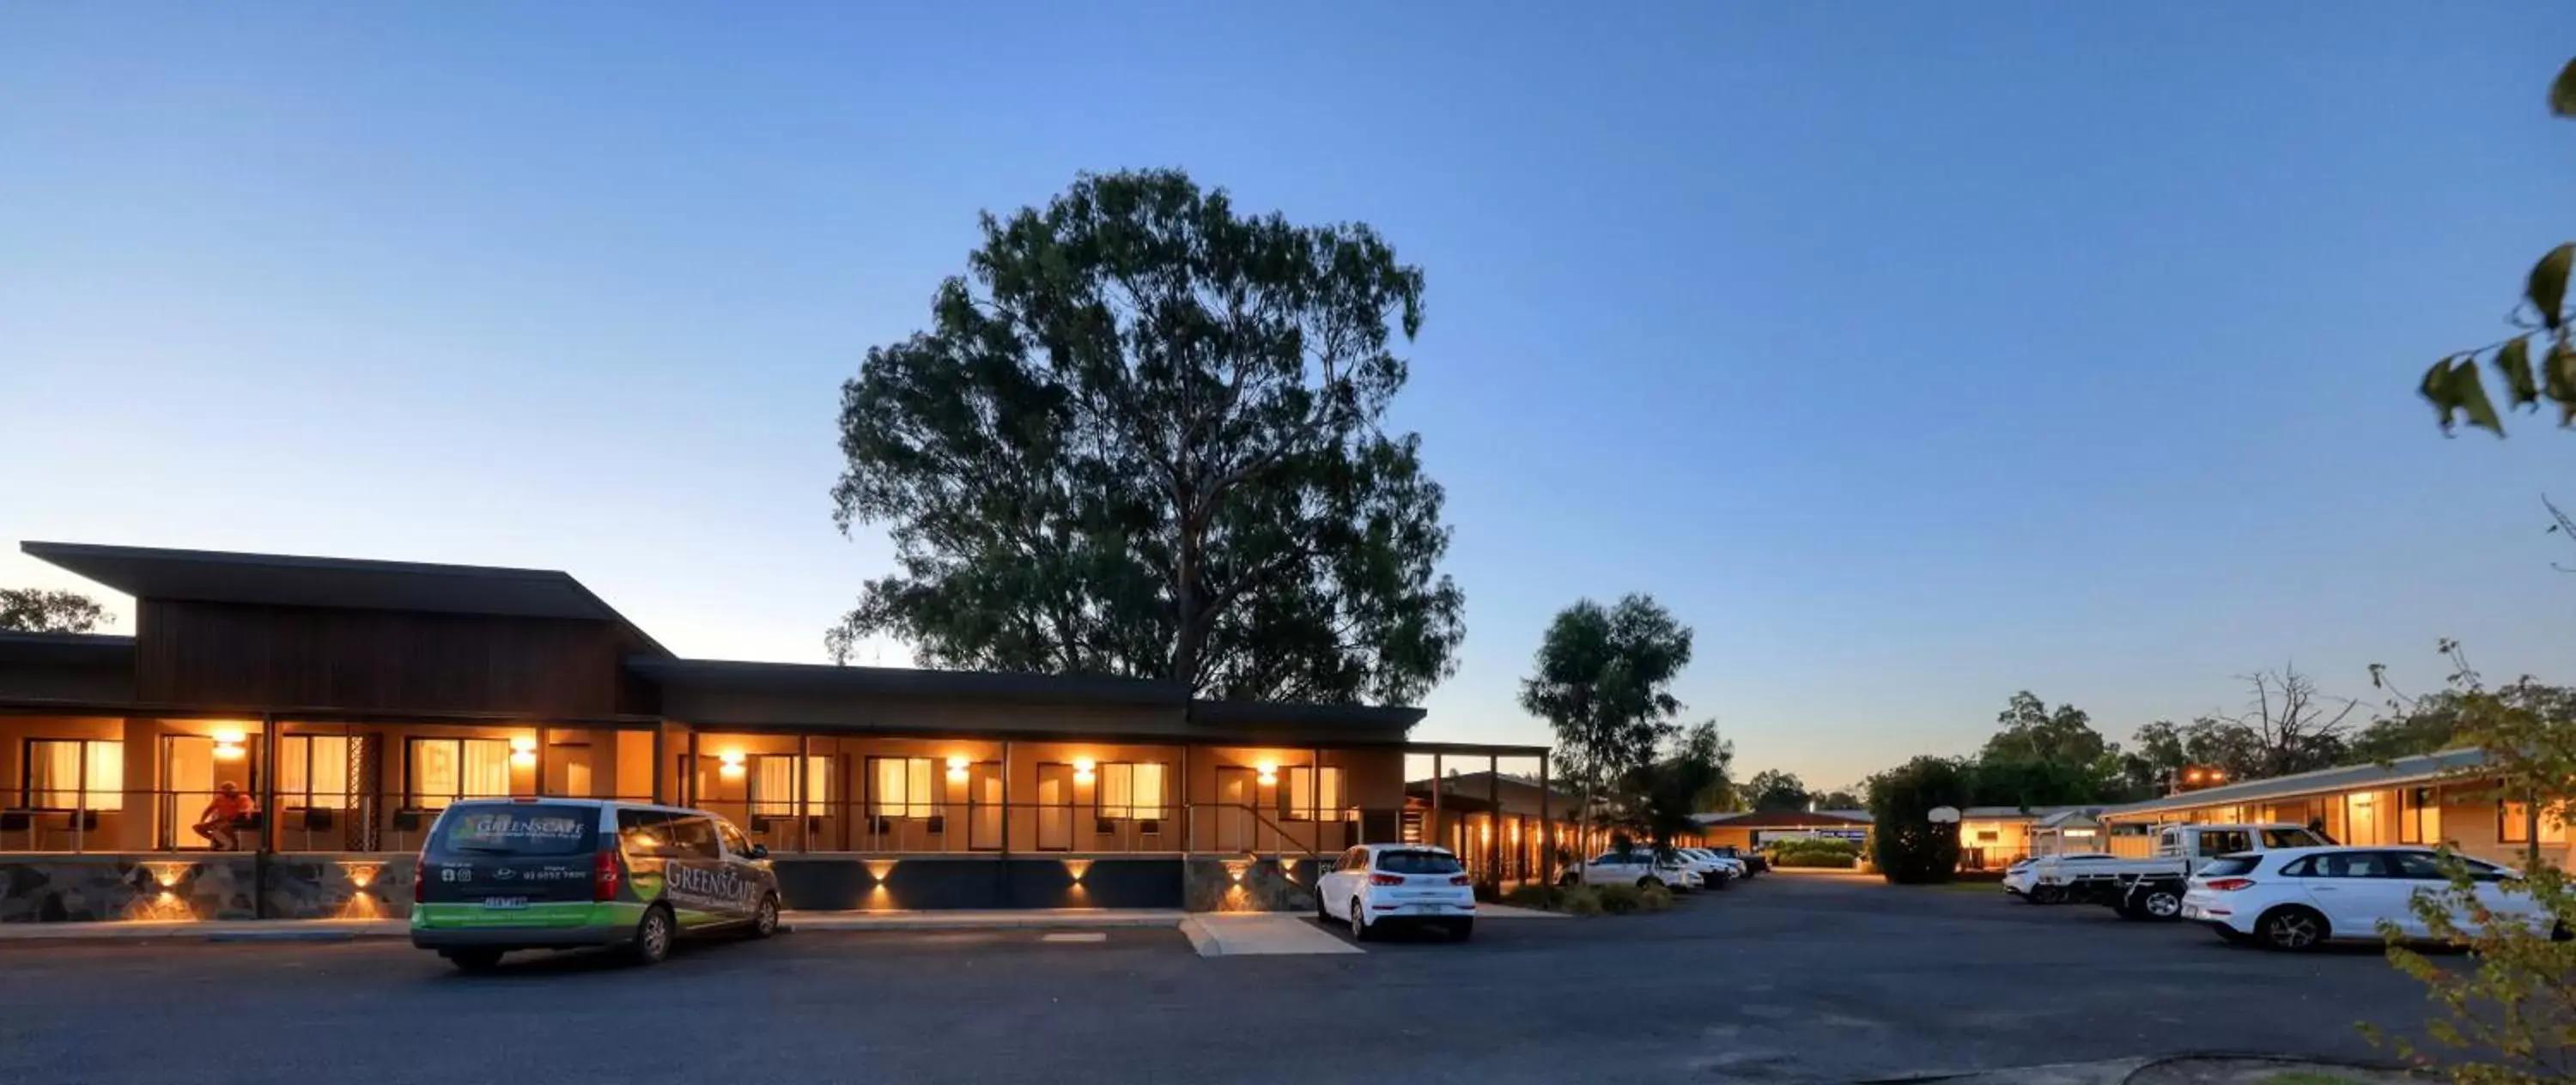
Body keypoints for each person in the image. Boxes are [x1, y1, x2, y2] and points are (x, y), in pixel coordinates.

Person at [193, 781, 258, 851]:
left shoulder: (244, 798)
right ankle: (216, 841)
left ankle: (234, 844)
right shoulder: (219, 799)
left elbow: (244, 811)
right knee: (197, 827)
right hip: (220, 820)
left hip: (239, 820)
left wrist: (227, 817)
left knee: (222, 824)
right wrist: (202, 820)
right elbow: (209, 810)